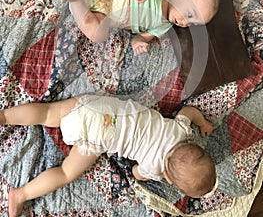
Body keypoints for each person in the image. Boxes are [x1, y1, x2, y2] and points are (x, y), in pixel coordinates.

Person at [1, 93, 216, 217]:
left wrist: (203, 122)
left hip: (97, 107)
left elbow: (187, 112)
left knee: (46, 112)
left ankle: (5, 116)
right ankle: (20, 195)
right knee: (66, 172)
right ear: (169, 178)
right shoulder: (155, 168)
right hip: (97, 136)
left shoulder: (180, 130)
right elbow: (137, 173)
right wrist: (139, 172)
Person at [41, 0, 220, 55]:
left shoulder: (164, 26)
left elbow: (142, 36)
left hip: (103, 16)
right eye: (190, 14)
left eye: (192, 23)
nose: (185, 23)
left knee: (98, 34)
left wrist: (138, 43)